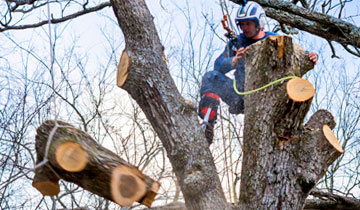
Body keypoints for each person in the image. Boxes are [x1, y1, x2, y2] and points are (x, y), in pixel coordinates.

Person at [198, 1, 318, 144]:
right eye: (242, 24)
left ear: (258, 22)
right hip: (240, 96)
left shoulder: (274, 39)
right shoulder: (238, 42)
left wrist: (310, 55)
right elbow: (218, 65)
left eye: (248, 23)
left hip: (265, 95)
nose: (244, 28)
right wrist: (234, 61)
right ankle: (208, 126)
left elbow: (298, 52)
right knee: (211, 78)